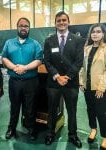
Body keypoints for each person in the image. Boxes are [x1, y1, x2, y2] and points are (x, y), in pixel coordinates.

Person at [44, 11, 84, 148]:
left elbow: (79, 62)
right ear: (55, 23)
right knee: (52, 109)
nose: (61, 22)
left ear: (68, 22)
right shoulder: (49, 41)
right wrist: (57, 76)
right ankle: (50, 134)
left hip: (71, 83)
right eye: (58, 20)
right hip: (53, 83)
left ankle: (73, 135)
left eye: (64, 20)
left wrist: (67, 77)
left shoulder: (78, 40)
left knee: (72, 110)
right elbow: (47, 61)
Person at [1, 17, 43, 140]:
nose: (23, 28)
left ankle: (31, 128)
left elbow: (39, 60)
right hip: (14, 82)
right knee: (14, 107)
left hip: (31, 82)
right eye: (21, 25)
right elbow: (4, 58)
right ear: (17, 27)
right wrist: (15, 68)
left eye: (26, 26)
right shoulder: (9, 42)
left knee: (30, 107)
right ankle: (11, 128)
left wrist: (24, 68)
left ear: (29, 28)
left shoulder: (35, 43)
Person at [79, 23, 106, 150]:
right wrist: (81, 81)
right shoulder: (87, 48)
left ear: (103, 34)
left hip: (100, 88)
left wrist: (102, 87)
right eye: (93, 32)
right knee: (90, 110)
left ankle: (105, 136)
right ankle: (93, 129)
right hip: (87, 86)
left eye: (98, 31)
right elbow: (82, 67)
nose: (95, 34)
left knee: (101, 112)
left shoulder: (105, 49)